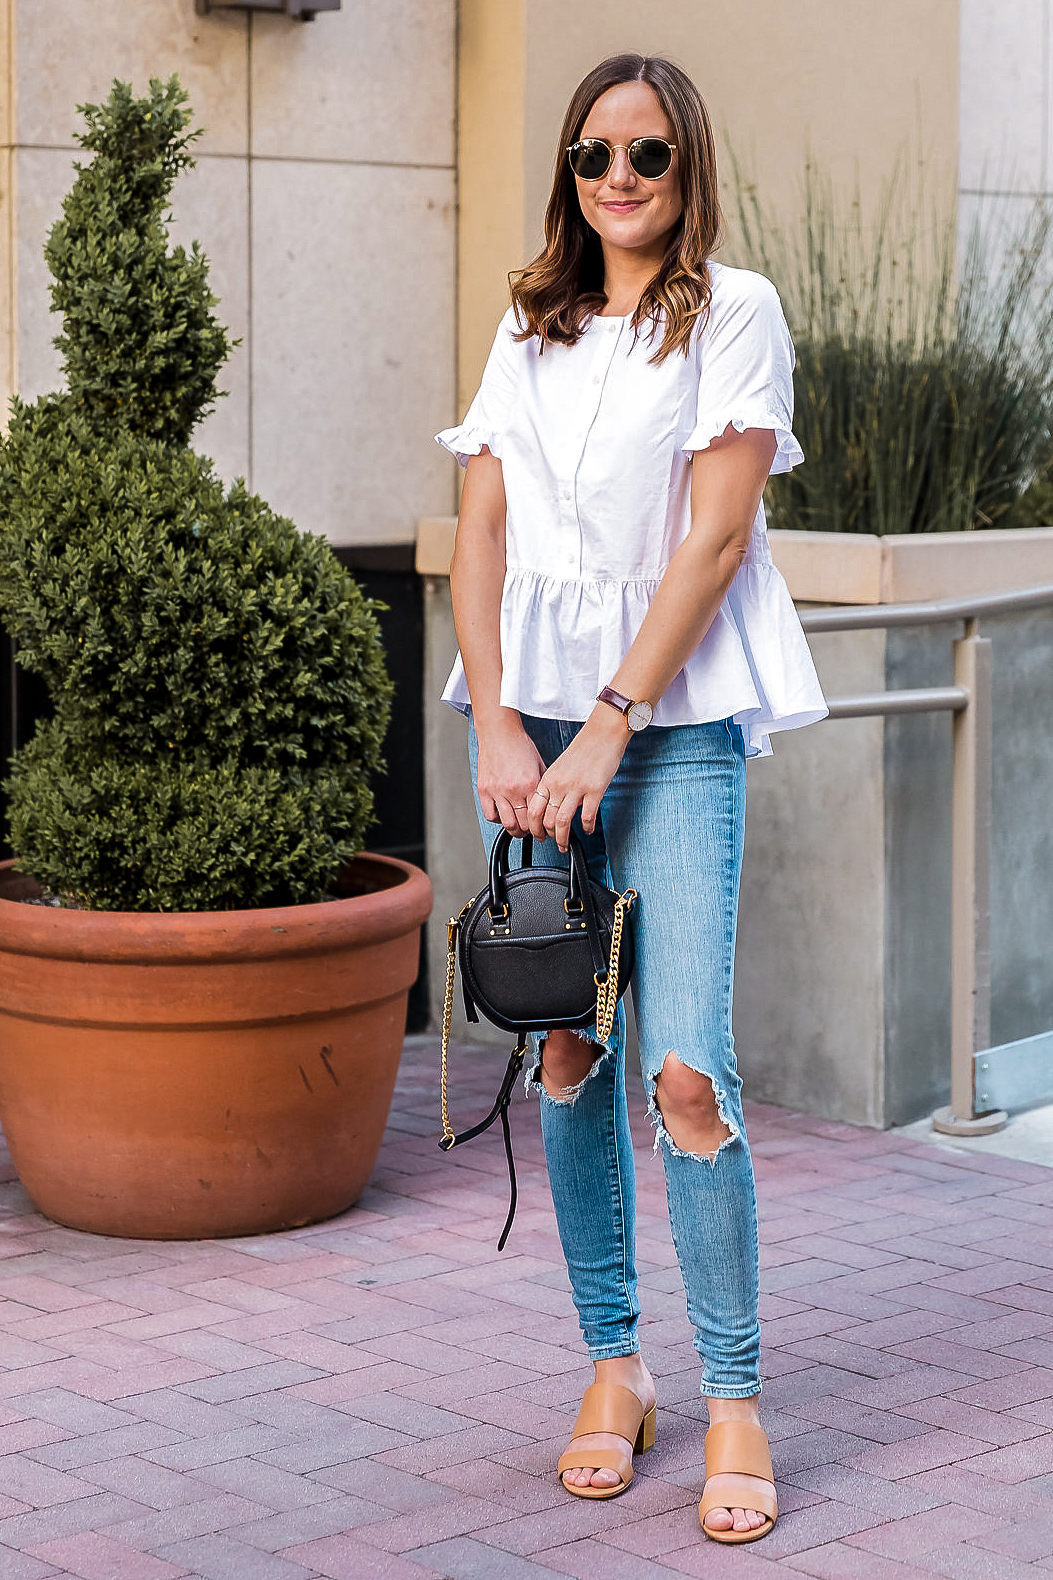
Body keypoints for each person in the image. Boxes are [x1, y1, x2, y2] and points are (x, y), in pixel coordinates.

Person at [436, 51, 826, 1547]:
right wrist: (499, 732)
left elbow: (715, 541)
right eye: (595, 154)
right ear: (569, 169)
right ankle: (616, 1368)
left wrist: (607, 724)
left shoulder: (733, 312)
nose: (618, 180)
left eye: (646, 156)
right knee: (567, 1054)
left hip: (664, 731)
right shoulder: (526, 319)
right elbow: (480, 531)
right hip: (528, 737)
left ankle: (733, 1394)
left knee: (686, 1075)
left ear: (686, 167)